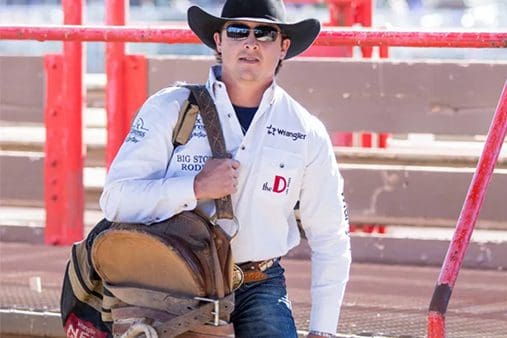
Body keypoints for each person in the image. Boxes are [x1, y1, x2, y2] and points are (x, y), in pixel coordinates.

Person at [99, 0, 351, 337]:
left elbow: (331, 236)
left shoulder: (307, 131)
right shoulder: (169, 109)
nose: (250, 42)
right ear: (219, 41)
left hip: (259, 283)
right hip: (172, 281)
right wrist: (195, 188)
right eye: (237, 30)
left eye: (264, 32)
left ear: (283, 47)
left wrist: (323, 330)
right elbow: (115, 200)